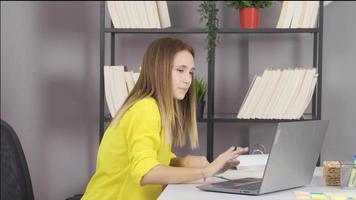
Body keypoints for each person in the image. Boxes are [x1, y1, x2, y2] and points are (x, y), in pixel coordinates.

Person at [81, 37, 248, 200]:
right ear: (158, 70)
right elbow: (146, 172)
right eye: (180, 70)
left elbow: (155, 158)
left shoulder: (156, 108)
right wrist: (206, 171)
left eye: (190, 72)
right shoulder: (145, 109)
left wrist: (186, 162)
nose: (188, 79)